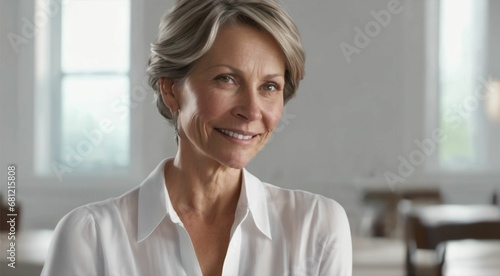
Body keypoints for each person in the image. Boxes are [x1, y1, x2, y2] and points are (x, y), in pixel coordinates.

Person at [41, 0, 352, 275]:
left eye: (269, 87)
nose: (252, 111)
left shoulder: (317, 227)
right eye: (226, 79)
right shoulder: (90, 237)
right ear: (171, 89)